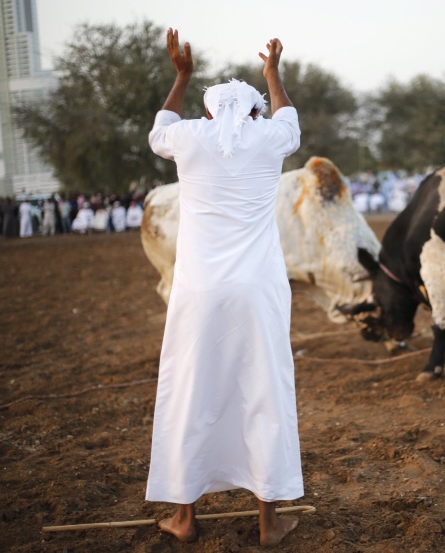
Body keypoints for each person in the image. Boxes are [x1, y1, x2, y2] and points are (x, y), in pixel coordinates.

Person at [145, 29, 303, 546]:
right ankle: (269, 522)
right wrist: (272, 73)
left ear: (209, 114)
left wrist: (182, 76)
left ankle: (186, 518)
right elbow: (288, 120)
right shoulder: (268, 139)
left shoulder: (189, 137)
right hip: (258, 291)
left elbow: (160, 129)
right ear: (254, 113)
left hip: (199, 292)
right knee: (264, 392)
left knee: (192, 391)